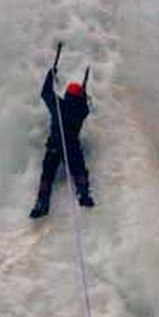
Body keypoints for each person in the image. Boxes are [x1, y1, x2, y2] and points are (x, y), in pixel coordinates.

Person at [29, 58, 95, 219]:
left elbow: (46, 93)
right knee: (78, 169)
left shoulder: (58, 105)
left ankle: (42, 203)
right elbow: (85, 106)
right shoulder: (81, 111)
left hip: (55, 145)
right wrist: (83, 93)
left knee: (47, 174)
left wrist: (50, 75)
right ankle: (83, 194)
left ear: (67, 95)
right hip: (71, 145)